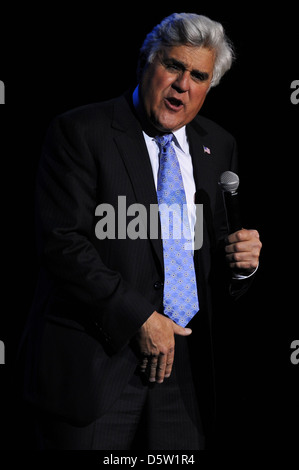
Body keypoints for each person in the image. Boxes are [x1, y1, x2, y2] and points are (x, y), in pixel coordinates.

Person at [20, 12, 262, 450]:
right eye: (173, 66)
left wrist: (241, 266)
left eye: (198, 75)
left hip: (184, 380)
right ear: (146, 64)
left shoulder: (218, 145)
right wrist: (140, 319)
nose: (182, 84)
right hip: (97, 367)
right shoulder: (81, 132)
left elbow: (215, 261)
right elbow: (63, 244)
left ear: (210, 86)